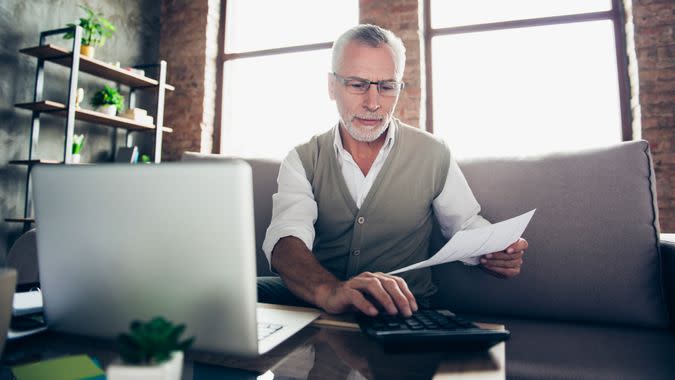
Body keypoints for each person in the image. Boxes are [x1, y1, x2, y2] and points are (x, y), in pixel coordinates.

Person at [258, 24, 528, 318]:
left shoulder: (433, 153)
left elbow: (464, 225)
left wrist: (497, 251)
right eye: (358, 85)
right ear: (331, 86)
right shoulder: (302, 159)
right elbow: (287, 241)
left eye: (386, 86)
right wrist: (331, 291)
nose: (373, 103)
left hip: (402, 309)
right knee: (229, 295)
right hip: (319, 302)